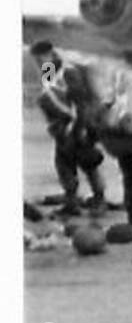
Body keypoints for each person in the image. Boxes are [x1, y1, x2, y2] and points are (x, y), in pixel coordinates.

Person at [29, 41, 106, 215]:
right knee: (64, 164)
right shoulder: (49, 70)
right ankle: (71, 201)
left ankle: (99, 200)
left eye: (39, 58)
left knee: (87, 162)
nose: (38, 62)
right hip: (62, 127)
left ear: (47, 54)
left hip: (77, 125)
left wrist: (79, 129)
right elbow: (49, 96)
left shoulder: (69, 71)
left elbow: (80, 103)